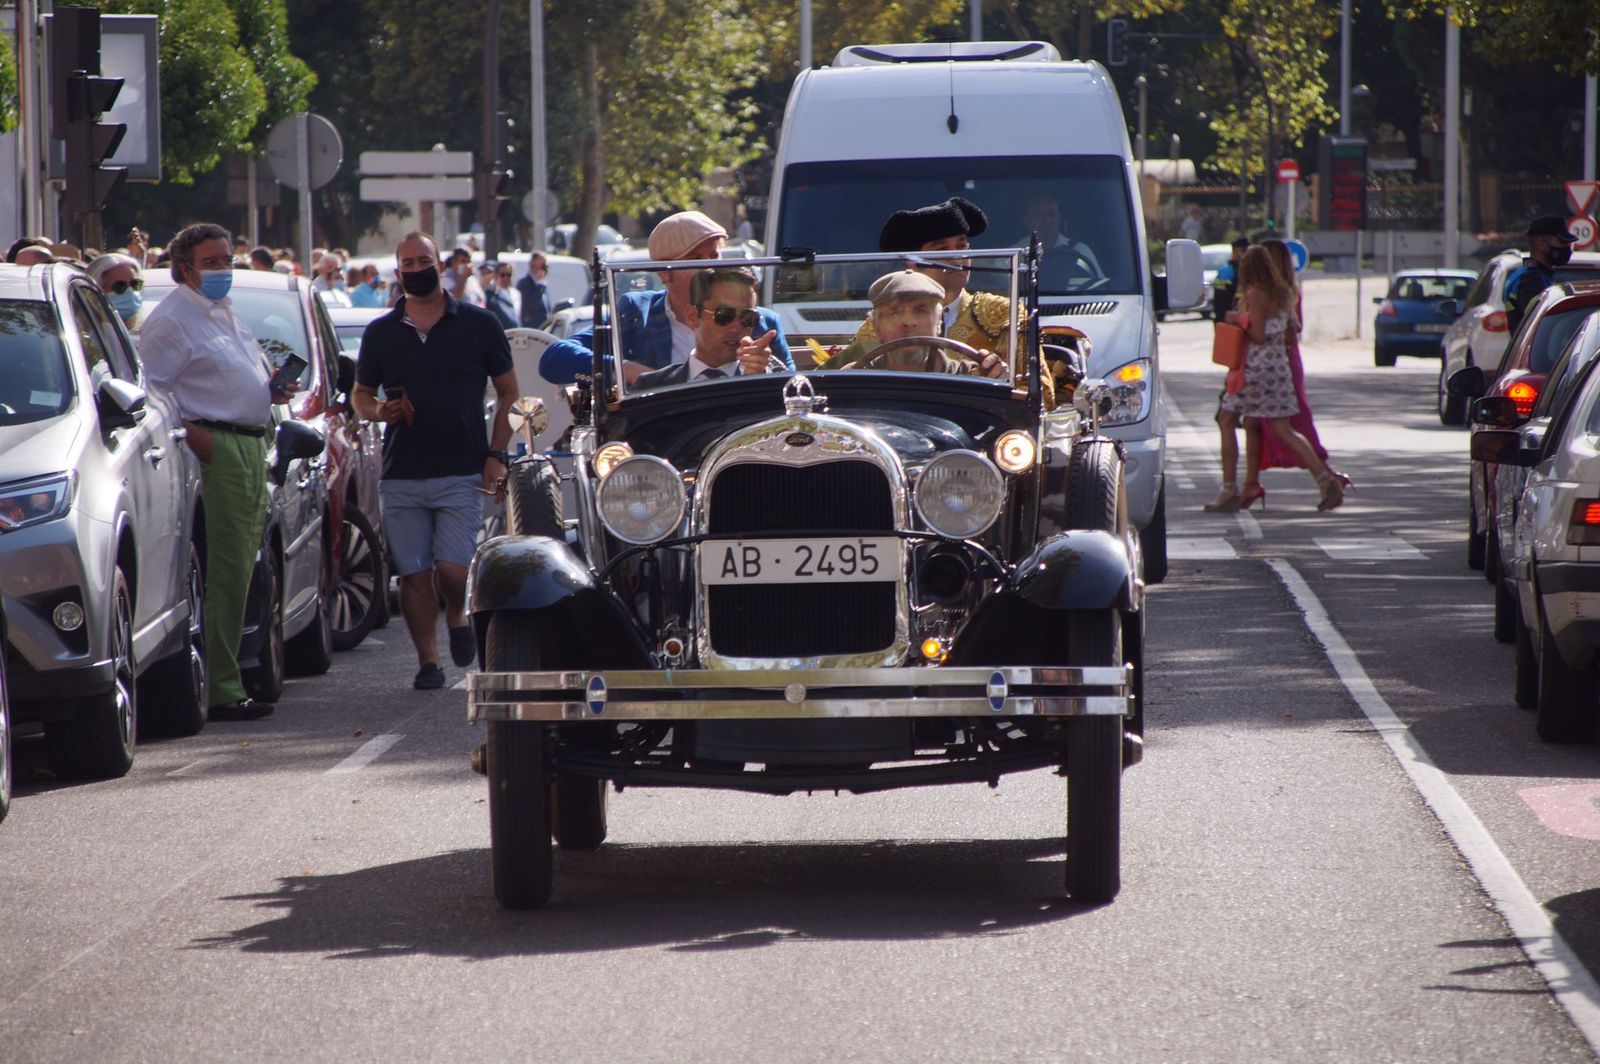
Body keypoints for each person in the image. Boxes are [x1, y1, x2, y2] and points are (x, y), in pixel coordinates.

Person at [140, 223, 298, 719]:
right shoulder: (171, 320)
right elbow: (152, 393)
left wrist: (271, 389)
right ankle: (224, 688)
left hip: (250, 444)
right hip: (218, 449)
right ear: (185, 269)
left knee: (244, 567)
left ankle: (230, 675)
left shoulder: (223, 311)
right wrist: (197, 434)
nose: (222, 269)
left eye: (227, 260)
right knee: (227, 570)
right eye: (211, 262)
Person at [351, 232, 518, 691]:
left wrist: (496, 454)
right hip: (401, 473)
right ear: (397, 271)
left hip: (462, 468)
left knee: (452, 568)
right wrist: (378, 411)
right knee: (413, 573)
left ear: (440, 265)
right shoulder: (381, 333)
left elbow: (509, 392)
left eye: (423, 260)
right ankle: (428, 661)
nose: (416, 269)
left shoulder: (480, 324)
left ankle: (457, 614)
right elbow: (361, 395)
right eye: (407, 263)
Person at [539, 210, 793, 387]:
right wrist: (624, 369)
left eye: (714, 257)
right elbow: (554, 359)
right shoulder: (638, 313)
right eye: (695, 260)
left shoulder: (760, 320)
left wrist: (762, 371)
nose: (710, 268)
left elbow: (793, 390)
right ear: (663, 273)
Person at [849, 197, 1051, 403]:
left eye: (962, 247)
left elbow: (1041, 395)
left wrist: (998, 384)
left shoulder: (1002, 314)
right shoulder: (877, 324)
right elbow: (840, 387)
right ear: (913, 263)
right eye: (942, 250)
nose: (957, 258)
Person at [1214, 246, 1345, 512]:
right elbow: (1291, 332)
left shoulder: (1255, 293)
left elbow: (1258, 335)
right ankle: (1325, 479)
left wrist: (1237, 319)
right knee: (1283, 430)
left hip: (1254, 371)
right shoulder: (1285, 293)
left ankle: (1228, 490)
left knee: (1226, 419)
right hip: (1278, 370)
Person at [834, 269, 1009, 377]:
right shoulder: (855, 378)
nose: (908, 322)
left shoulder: (970, 377)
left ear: (939, 322)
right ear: (876, 326)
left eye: (920, 310)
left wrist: (996, 378)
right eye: (895, 311)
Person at [633, 268, 784, 389]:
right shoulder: (651, 386)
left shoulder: (775, 382)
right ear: (692, 316)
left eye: (747, 317)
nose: (736, 327)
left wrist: (756, 380)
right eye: (724, 315)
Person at [1505, 216, 1579, 334]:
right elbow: (1544, 322)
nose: (1567, 248)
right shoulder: (1532, 280)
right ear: (1542, 244)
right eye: (1563, 242)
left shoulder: (1529, 273)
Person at [1017, 193, 1104, 280]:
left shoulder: (1080, 250)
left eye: (1051, 214)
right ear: (1027, 220)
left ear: (1059, 218)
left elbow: (1100, 285)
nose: (1046, 220)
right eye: (1038, 215)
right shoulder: (1017, 253)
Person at [86, 252, 146, 328]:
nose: (130, 292)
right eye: (120, 286)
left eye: (135, 284)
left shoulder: (145, 330)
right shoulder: (80, 332)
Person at [1211, 236, 1249, 321]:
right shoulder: (1226, 271)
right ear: (1235, 251)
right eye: (1244, 250)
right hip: (1228, 319)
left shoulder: (1249, 269)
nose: (1246, 254)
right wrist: (1221, 318)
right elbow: (1219, 298)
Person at [483, 261, 522, 330]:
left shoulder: (516, 294)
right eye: (503, 275)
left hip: (515, 332)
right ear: (496, 275)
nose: (506, 278)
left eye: (509, 275)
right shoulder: (492, 294)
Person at [517, 253, 551, 327]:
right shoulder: (524, 284)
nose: (546, 270)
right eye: (544, 266)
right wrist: (539, 285)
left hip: (543, 329)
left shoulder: (542, 285)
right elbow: (531, 306)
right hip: (531, 330)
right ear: (534, 265)